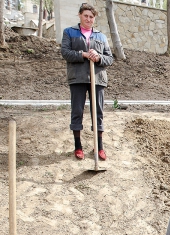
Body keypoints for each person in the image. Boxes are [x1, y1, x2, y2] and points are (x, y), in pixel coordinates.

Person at [60, 3, 114, 161]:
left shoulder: (101, 36)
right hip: (77, 78)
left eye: (91, 17)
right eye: (86, 16)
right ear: (80, 16)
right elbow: (65, 52)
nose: (89, 19)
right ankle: (78, 146)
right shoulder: (69, 33)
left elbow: (109, 58)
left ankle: (99, 147)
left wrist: (98, 57)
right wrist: (83, 54)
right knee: (77, 111)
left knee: (98, 112)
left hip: (97, 79)